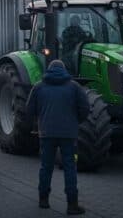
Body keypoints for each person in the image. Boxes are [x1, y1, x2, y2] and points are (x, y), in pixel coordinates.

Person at [26, 59, 89, 215]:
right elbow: (85, 108)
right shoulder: (74, 87)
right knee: (70, 167)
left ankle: (43, 200)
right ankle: (72, 204)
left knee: (46, 167)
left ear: (48, 70)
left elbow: (28, 110)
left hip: (46, 134)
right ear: (64, 69)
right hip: (69, 135)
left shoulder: (39, 86)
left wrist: (37, 124)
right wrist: (76, 122)